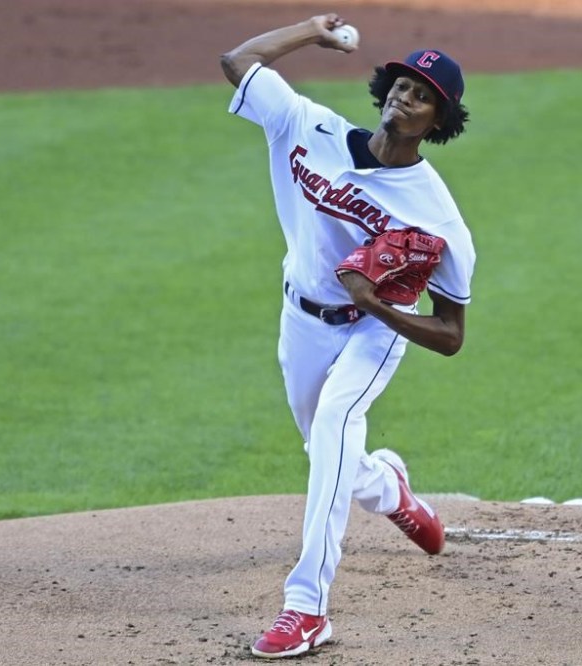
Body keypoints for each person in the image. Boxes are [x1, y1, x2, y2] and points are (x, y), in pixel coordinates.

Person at [220, 12, 475, 660]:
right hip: (298, 318)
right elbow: (238, 61)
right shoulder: (309, 125)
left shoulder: (438, 216)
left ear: (438, 122)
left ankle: (306, 608)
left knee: (335, 423)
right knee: (322, 446)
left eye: (422, 95)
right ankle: (388, 489)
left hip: (370, 333)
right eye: (400, 84)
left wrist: (380, 307)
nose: (405, 96)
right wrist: (311, 29)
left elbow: (450, 334)